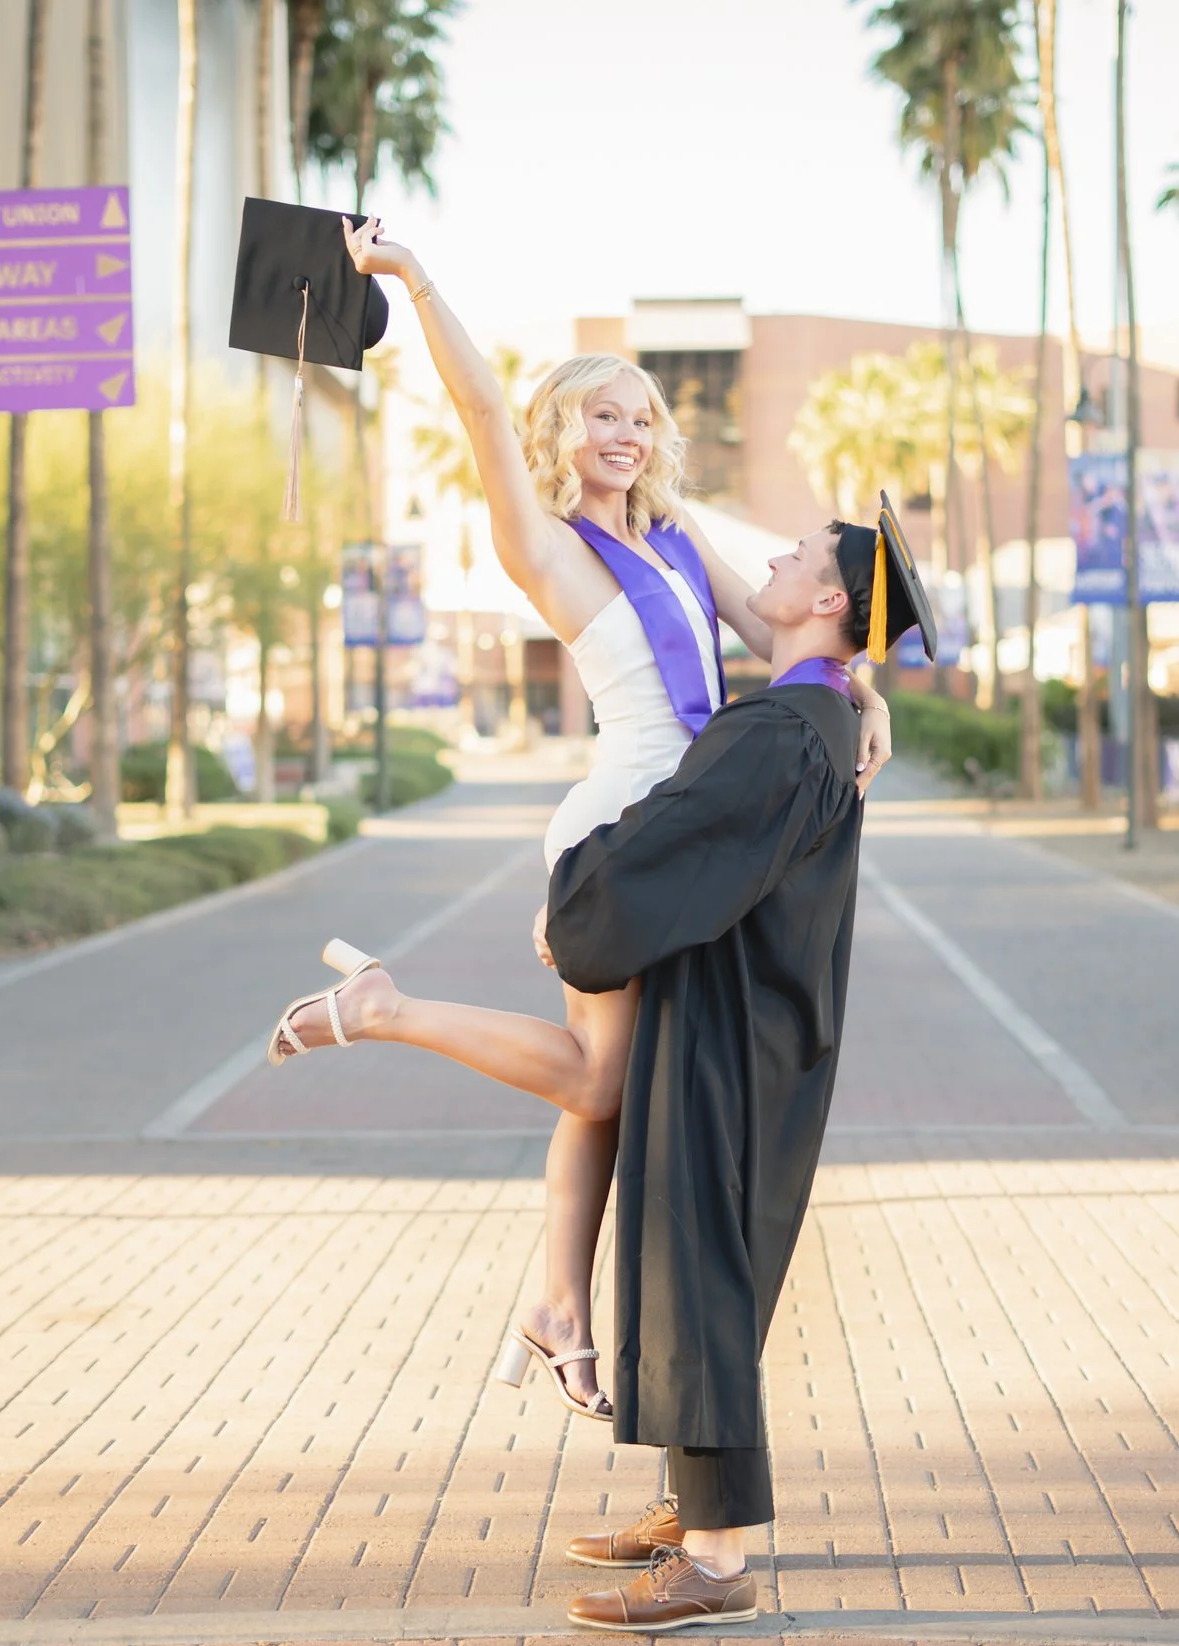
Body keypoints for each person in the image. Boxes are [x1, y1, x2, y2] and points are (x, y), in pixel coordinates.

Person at [264, 217, 894, 1424]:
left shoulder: (675, 536)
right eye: (602, 412)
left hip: (688, 828)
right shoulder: (541, 543)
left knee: (605, 1081)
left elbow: (788, 642)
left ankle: (558, 1299)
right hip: (626, 830)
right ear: (563, 428)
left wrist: (867, 697)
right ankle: (384, 1011)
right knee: (603, 1085)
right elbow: (482, 416)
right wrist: (414, 280)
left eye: (642, 416)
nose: (627, 433)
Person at [547, 498, 936, 1632]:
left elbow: (670, 849)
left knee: (700, 1264)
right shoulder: (810, 714)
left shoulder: (779, 733)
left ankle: (716, 1561)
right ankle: (691, 1503)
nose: (769, 558)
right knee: (696, 1262)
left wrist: (570, 888)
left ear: (826, 601)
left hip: (733, 1028)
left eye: (800, 556)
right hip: (751, 1019)